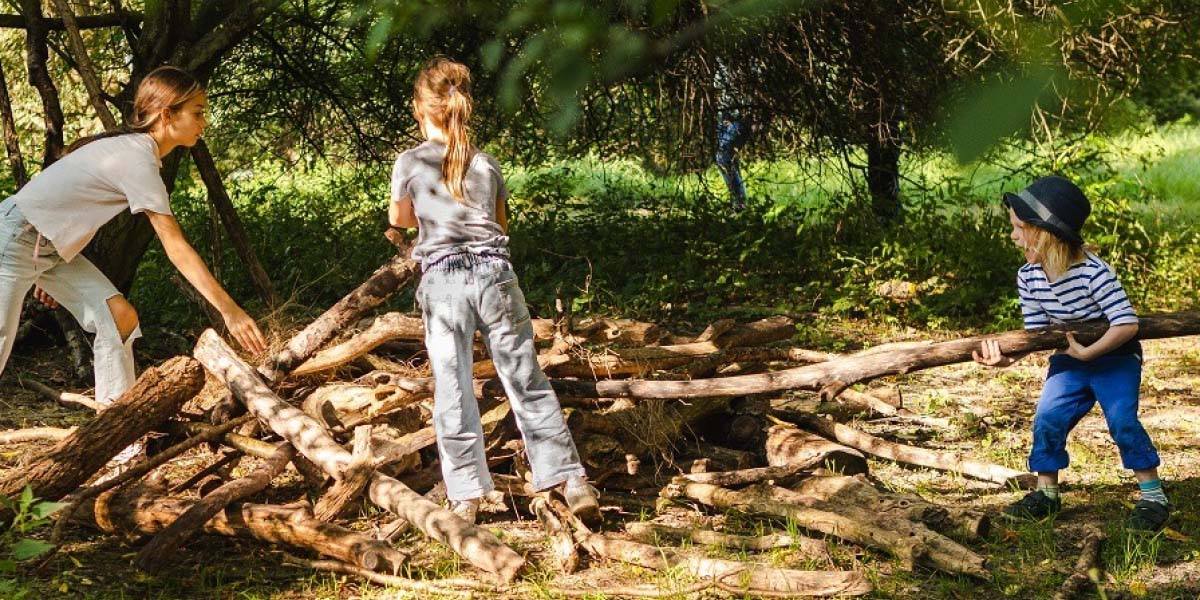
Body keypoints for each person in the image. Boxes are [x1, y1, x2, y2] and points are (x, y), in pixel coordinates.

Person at [387, 57, 600, 525]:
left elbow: (399, 220)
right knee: (525, 377)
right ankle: (570, 479)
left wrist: (417, 229)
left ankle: (465, 495)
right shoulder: (486, 163)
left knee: (453, 386)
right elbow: (500, 226)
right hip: (495, 276)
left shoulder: (409, 161)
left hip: (443, 284)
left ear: (419, 109)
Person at [0, 65, 267, 425]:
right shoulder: (136, 158)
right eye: (198, 113)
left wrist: (48, 268)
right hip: (16, 240)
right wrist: (229, 310)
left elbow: (66, 201)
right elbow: (176, 248)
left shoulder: (135, 153)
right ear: (167, 114)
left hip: (42, 247)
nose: (205, 122)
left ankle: (116, 440)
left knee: (118, 317)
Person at [974, 175, 1168, 531]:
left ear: (1044, 233)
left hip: (1116, 357)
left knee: (1122, 420)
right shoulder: (1028, 276)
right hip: (1070, 358)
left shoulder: (1095, 273)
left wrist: (1090, 352)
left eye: (1019, 228)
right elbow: (1039, 335)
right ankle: (1046, 494)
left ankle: (1153, 496)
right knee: (1048, 417)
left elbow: (1126, 324)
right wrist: (1007, 359)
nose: (1013, 236)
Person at [714, 58, 749, 211]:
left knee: (723, 157)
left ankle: (739, 203)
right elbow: (717, 84)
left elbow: (753, 87)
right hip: (724, 115)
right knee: (729, 159)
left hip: (738, 116)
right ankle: (738, 202)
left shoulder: (750, 59)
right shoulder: (721, 58)